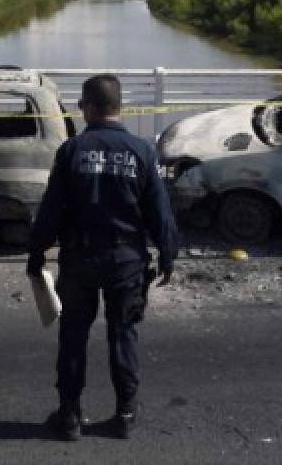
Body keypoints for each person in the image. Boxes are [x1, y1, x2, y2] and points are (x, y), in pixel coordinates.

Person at [27, 74, 178, 441]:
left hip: (79, 259)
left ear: (91, 107)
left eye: (82, 107)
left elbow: (51, 211)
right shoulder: (142, 151)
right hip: (127, 260)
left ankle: (69, 417)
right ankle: (125, 414)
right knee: (123, 334)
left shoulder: (72, 151)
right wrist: (169, 254)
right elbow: (160, 212)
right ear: (118, 107)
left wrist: (36, 254)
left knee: (73, 335)